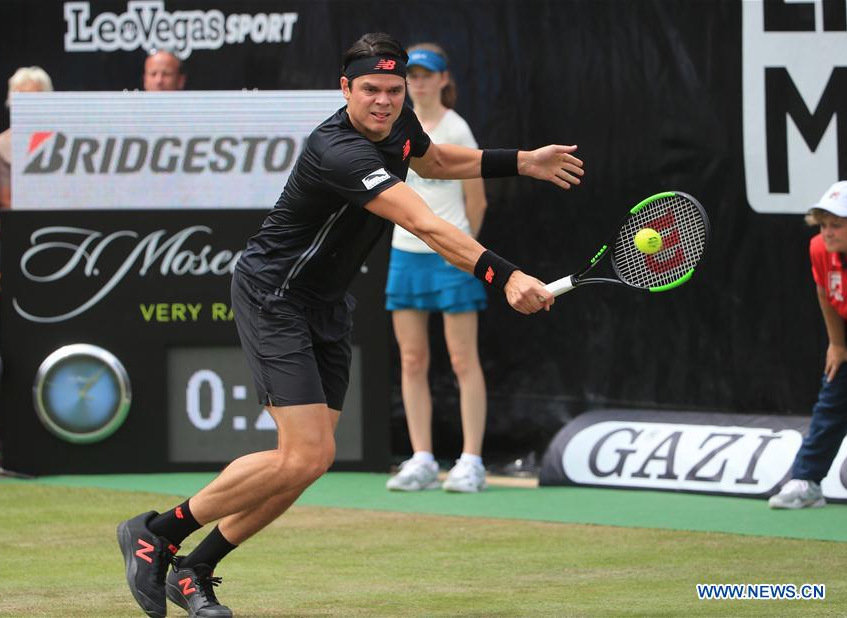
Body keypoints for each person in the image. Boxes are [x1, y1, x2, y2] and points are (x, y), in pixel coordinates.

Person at [117, 32, 583, 618]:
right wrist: (506, 276)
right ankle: (157, 531)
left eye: (394, 89)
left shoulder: (398, 122)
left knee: (308, 460)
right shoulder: (337, 151)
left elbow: (435, 161)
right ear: (345, 89)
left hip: (327, 304)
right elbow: (424, 223)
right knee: (305, 454)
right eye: (371, 90)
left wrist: (521, 161)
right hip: (275, 295)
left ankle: (194, 569)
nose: (384, 101)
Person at [384, 43, 490, 493]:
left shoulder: (457, 130)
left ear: (444, 80)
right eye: (414, 74)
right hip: (404, 254)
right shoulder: (393, 126)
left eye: (428, 74)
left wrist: (460, 249)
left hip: (451, 257)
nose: (420, 81)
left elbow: (477, 201)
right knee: (412, 360)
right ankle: (422, 458)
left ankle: (471, 462)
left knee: (463, 359)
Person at [769, 180, 847, 509]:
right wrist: (836, 344)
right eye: (823, 224)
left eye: (838, 224)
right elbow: (825, 292)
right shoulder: (820, 248)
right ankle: (807, 482)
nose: (828, 232)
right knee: (832, 400)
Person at [0, 66, 54, 211]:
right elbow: (5, 198)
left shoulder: (65, 139)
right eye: (20, 97)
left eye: (34, 97)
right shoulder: (1, 144)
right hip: (21, 220)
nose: (27, 104)